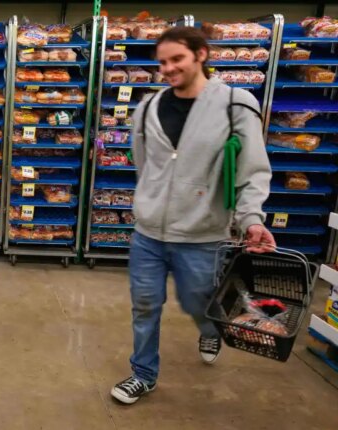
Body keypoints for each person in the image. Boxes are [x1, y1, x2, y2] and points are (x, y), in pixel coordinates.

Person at [110, 27, 276, 405]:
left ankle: (211, 329)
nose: (168, 68)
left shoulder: (236, 103)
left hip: (203, 235)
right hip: (148, 233)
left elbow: (253, 168)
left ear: (201, 54)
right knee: (145, 305)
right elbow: (144, 164)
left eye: (177, 59)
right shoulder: (149, 107)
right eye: (162, 62)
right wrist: (150, 200)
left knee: (198, 302)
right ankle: (143, 374)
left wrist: (251, 219)